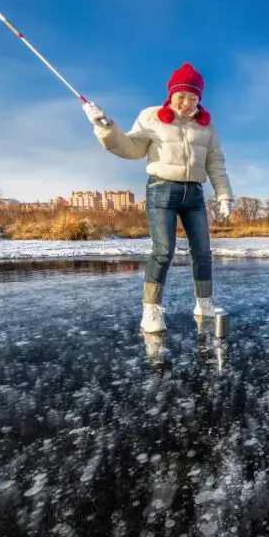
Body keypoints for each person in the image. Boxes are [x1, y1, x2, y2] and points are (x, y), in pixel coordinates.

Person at [82, 62, 234, 334]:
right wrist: (105, 126)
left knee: (203, 251)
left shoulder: (206, 127)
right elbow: (130, 148)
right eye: (181, 96)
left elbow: (216, 163)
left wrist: (224, 195)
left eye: (193, 97)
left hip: (194, 194)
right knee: (163, 250)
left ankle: (204, 302)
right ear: (171, 93)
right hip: (162, 189)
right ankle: (151, 309)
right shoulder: (152, 116)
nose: (186, 103)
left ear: (199, 98)